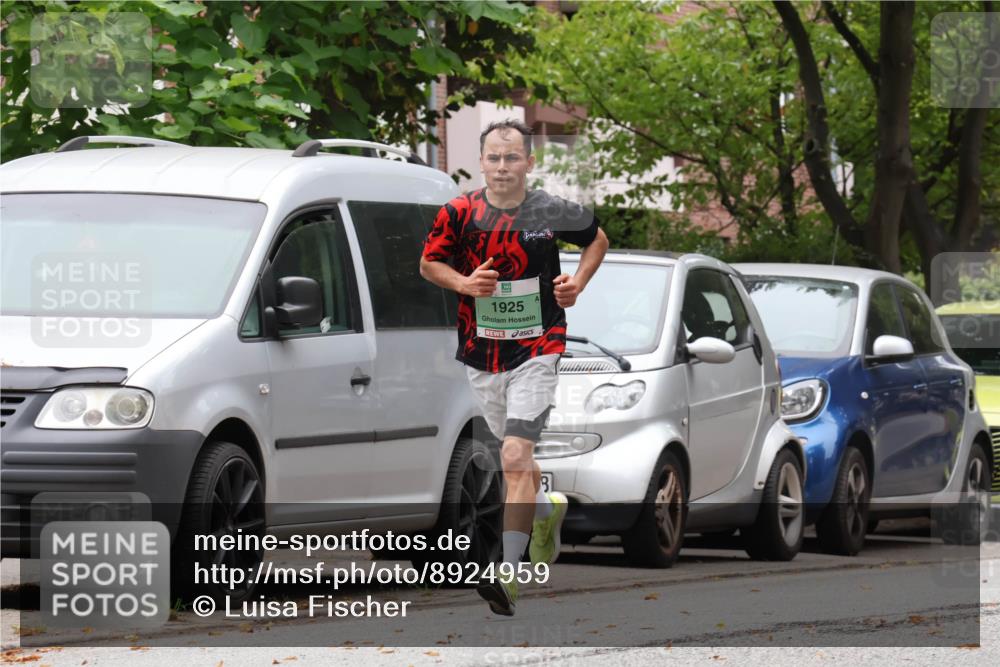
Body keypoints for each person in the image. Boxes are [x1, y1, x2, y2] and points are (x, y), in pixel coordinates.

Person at [419, 119, 609, 615]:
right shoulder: (459, 213)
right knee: (518, 460)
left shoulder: (551, 210)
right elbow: (428, 264)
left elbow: (597, 240)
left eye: (513, 158)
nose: (503, 167)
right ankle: (546, 513)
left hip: (540, 347)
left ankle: (507, 573)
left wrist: (578, 283)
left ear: (529, 161)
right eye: (494, 158)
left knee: (513, 455)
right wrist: (464, 284)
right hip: (483, 354)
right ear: (482, 162)